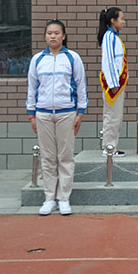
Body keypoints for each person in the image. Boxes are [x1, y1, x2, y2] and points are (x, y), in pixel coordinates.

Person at [27, 20, 87, 216]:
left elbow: (80, 85)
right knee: (48, 157)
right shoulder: (37, 60)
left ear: (63, 36)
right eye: (49, 33)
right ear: (45, 36)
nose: (52, 36)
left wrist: (80, 112)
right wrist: (31, 113)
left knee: (65, 156)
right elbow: (32, 87)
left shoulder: (72, 58)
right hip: (43, 113)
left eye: (56, 33)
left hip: (66, 113)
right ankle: (49, 198)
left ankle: (64, 198)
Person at [98, 7, 128, 157]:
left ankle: (112, 145)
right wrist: (113, 83)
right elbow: (108, 62)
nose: (123, 22)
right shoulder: (109, 37)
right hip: (113, 84)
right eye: (121, 19)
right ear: (113, 21)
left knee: (115, 115)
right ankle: (108, 147)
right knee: (111, 116)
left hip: (117, 83)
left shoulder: (114, 37)